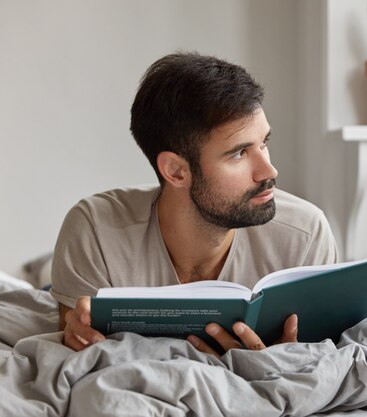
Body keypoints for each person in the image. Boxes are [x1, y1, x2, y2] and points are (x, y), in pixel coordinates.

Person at [50, 52, 338, 354]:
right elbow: (76, 345)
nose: (269, 171)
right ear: (176, 171)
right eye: (239, 153)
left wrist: (278, 362)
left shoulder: (306, 236)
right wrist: (77, 332)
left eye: (264, 143)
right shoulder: (96, 231)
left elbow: (323, 360)